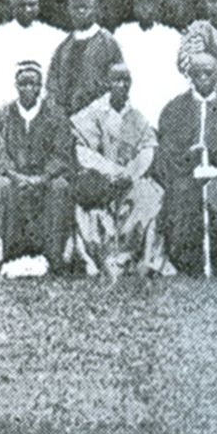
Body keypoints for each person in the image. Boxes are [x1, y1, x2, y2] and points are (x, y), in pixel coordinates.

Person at [68, 63, 173, 277]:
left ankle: (143, 259)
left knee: (152, 195)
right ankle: (99, 259)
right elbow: (81, 149)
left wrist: (130, 173)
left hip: (129, 180)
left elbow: (147, 149)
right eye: (116, 80)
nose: (121, 85)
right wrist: (110, 171)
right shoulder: (93, 113)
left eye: (126, 81)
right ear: (108, 83)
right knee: (87, 205)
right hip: (100, 178)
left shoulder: (136, 117)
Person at [155, 52, 217, 277]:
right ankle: (188, 261)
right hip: (186, 174)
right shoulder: (174, 109)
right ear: (189, 75)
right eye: (198, 73)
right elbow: (166, 150)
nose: (203, 78)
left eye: (209, 73)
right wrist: (188, 158)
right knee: (182, 194)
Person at [0, 60, 75, 276]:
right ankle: (8, 256)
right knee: (1, 185)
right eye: (24, 83)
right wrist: (17, 177)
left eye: (34, 84)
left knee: (60, 186)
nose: (29, 89)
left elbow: (62, 153)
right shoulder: (2, 116)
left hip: (45, 179)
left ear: (41, 86)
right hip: (15, 179)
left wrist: (42, 177)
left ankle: (54, 258)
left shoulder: (55, 116)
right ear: (16, 86)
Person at [113, 0, 187, 128]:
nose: (146, 9)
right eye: (141, 4)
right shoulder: (122, 34)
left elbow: (179, 77)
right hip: (132, 107)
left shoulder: (171, 36)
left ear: (158, 7)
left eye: (151, 3)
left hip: (163, 105)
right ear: (134, 7)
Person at [0, 0, 65, 106]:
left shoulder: (53, 35)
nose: (27, 9)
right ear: (12, 8)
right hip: (10, 107)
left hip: (44, 108)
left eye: (32, 4)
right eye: (21, 5)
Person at [46, 0, 124, 116]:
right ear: (69, 11)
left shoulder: (107, 42)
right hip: (66, 119)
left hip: (98, 118)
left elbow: (119, 80)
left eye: (85, 7)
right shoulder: (64, 47)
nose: (81, 11)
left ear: (95, 9)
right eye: (76, 7)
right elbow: (52, 82)